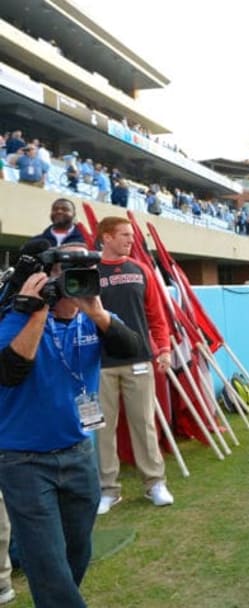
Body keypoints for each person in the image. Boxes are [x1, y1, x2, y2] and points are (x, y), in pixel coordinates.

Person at [0, 242, 140, 607]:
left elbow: (131, 348)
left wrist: (96, 312)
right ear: (47, 276)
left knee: (76, 551)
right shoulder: (14, 317)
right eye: (68, 275)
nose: (77, 283)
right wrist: (37, 313)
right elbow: (10, 372)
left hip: (78, 454)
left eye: (86, 275)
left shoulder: (92, 318)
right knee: (46, 560)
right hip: (23, 461)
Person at [95, 217, 174, 515]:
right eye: (125, 235)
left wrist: (163, 348)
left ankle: (155, 483)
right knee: (103, 428)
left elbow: (156, 315)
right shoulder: (90, 271)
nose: (131, 240)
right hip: (100, 362)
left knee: (144, 424)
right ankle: (108, 490)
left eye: (132, 235)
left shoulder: (141, 270)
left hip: (139, 358)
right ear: (107, 237)